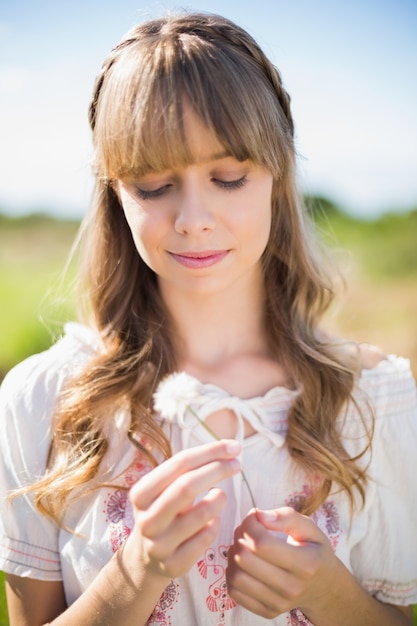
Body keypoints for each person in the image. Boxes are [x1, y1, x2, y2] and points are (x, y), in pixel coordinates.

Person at [0, 11, 416, 626]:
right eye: (152, 185)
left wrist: (327, 591)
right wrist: (135, 572)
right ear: (114, 192)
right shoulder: (44, 399)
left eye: (228, 177)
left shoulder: (372, 400)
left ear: (276, 176)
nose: (193, 217)